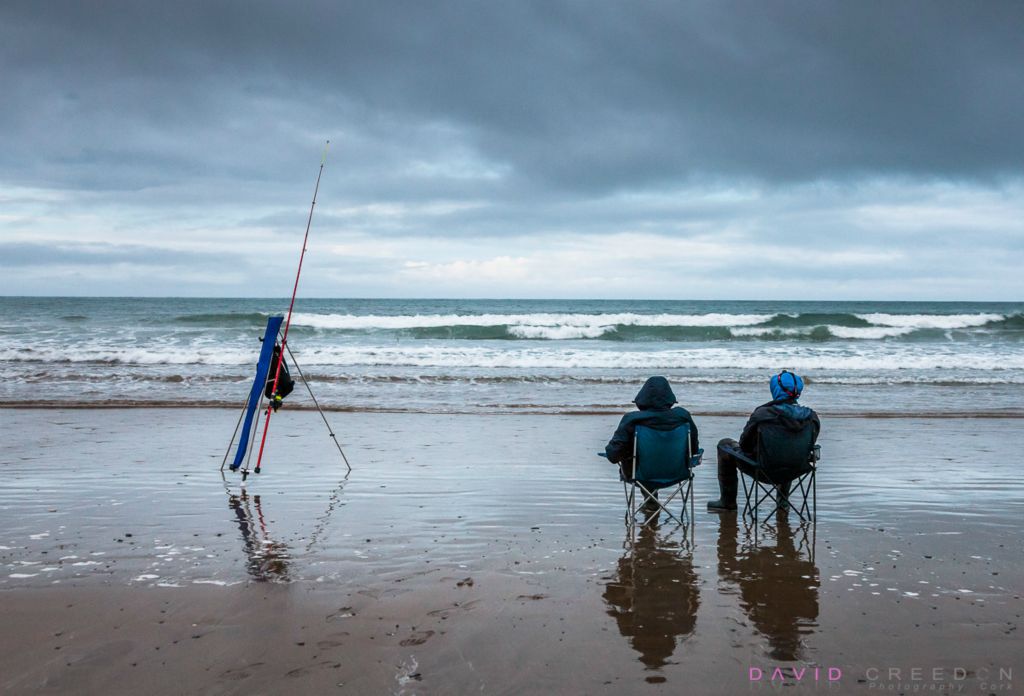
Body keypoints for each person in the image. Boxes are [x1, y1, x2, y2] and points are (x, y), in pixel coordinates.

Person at [707, 370, 820, 512]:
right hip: (796, 469)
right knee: (790, 450)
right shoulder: (812, 417)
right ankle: (783, 502)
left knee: (724, 445)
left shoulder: (763, 414)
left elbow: (744, 446)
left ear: (776, 389)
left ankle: (727, 502)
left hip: (763, 470)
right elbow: (808, 447)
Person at [605, 376, 700, 509]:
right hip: (678, 472)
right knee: (652, 457)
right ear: (670, 398)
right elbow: (693, 450)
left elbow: (613, 455)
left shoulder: (632, 419)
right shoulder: (683, 416)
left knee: (638, 459)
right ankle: (651, 501)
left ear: (642, 398)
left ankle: (650, 502)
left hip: (640, 474)